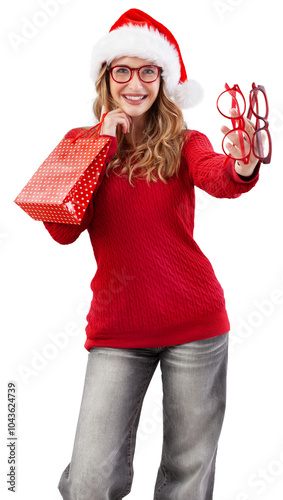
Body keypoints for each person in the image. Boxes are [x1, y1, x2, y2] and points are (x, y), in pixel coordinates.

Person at [44, 8, 261, 500]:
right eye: (123, 69)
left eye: (148, 71)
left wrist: (243, 165)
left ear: (163, 80)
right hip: (118, 328)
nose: (135, 82)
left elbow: (220, 177)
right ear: (107, 77)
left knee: (188, 475)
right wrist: (100, 148)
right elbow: (61, 230)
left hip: (196, 322)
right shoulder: (78, 145)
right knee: (89, 483)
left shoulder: (186, 142)